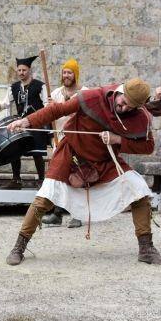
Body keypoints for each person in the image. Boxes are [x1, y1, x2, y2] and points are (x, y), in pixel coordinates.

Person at [4, 78, 160, 266]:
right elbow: (57, 110)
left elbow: (148, 146)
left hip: (105, 160)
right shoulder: (92, 97)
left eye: (132, 107)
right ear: (119, 92)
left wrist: (117, 139)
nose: (125, 108)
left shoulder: (140, 115)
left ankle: (146, 248)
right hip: (71, 153)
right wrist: (27, 121)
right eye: (124, 102)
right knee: (45, 197)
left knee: (139, 190)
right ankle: (19, 247)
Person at [42, 58, 88, 229]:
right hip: (59, 140)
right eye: (64, 72)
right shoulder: (55, 94)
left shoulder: (84, 93)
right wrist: (50, 108)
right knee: (59, 177)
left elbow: (83, 116)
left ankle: (78, 214)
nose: (66, 75)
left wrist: (60, 107)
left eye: (70, 72)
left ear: (75, 74)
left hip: (78, 141)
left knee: (77, 178)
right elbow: (47, 115)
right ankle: (57, 214)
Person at [0, 55, 49, 189]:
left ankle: (42, 180)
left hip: (36, 124)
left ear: (29, 70)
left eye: (24, 70)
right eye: (19, 70)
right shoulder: (14, 87)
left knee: (37, 153)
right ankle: (16, 180)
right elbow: (6, 103)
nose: (21, 73)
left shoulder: (40, 86)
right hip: (20, 124)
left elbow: (47, 104)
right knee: (14, 150)